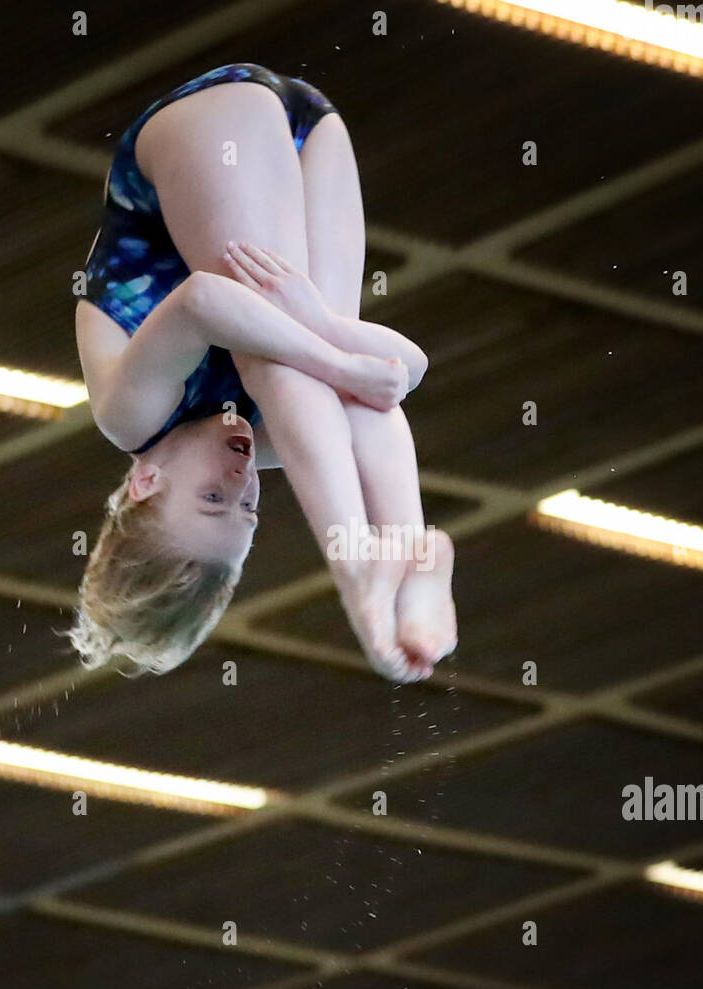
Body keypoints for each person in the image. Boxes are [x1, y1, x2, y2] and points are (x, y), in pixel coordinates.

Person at [71, 62, 456, 683]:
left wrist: (326, 354)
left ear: (145, 483)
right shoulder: (284, 440)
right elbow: (403, 369)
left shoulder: (130, 417)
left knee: (276, 365)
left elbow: (204, 302)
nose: (242, 481)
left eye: (212, 498)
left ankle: (358, 566)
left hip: (207, 123)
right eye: (246, 511)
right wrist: (323, 330)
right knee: (329, 391)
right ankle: (411, 558)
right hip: (313, 133)